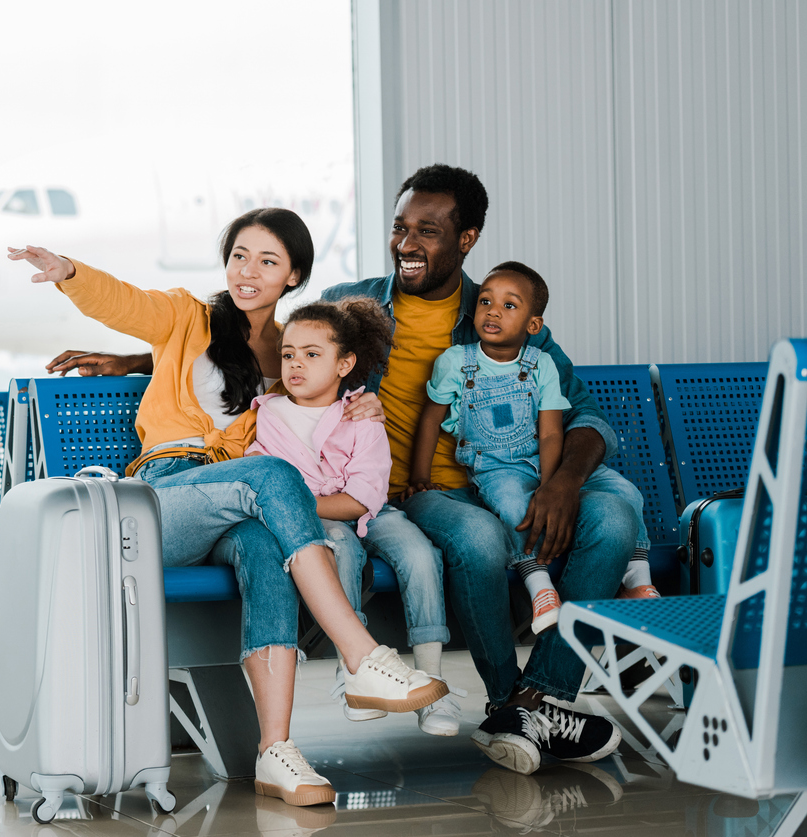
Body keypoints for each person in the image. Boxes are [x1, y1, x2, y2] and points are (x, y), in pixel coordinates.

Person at [57, 166, 642, 777]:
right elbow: (262, 352)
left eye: (429, 231)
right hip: (396, 491)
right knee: (473, 537)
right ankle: (390, 665)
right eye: (400, 228)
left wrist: (563, 482)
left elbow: (584, 411)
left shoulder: (497, 307)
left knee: (612, 513)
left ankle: (534, 699)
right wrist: (143, 355)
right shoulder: (354, 304)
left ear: (466, 239)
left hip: (487, 474)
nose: (408, 244)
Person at [7, 207, 447, 808]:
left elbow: (317, 400)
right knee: (270, 474)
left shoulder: (289, 352)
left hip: (238, 507)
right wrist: (69, 272)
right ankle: (361, 653)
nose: (249, 271)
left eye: (268, 261)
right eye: (240, 255)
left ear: (294, 276)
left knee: (267, 548)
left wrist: (357, 406)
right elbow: (129, 304)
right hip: (165, 496)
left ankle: (275, 753)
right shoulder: (188, 316)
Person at [246, 298, 467, 737]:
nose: (296, 365)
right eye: (288, 354)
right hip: (323, 520)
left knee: (421, 554)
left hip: (369, 511)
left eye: (312, 355)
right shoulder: (267, 414)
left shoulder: (361, 413)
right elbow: (265, 476)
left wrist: (294, 502)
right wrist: (294, 504)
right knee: (340, 549)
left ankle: (430, 678)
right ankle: (355, 670)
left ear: (345, 363)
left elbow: (362, 497)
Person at [408, 263, 658, 640]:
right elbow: (430, 419)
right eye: (486, 301)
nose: (493, 311)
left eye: (510, 306)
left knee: (627, 493)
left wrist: (553, 482)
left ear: (533, 326)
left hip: (546, 461)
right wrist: (419, 477)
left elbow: (552, 431)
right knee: (512, 505)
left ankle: (638, 582)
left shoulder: (540, 364)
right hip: (496, 466)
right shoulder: (456, 362)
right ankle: (540, 589)